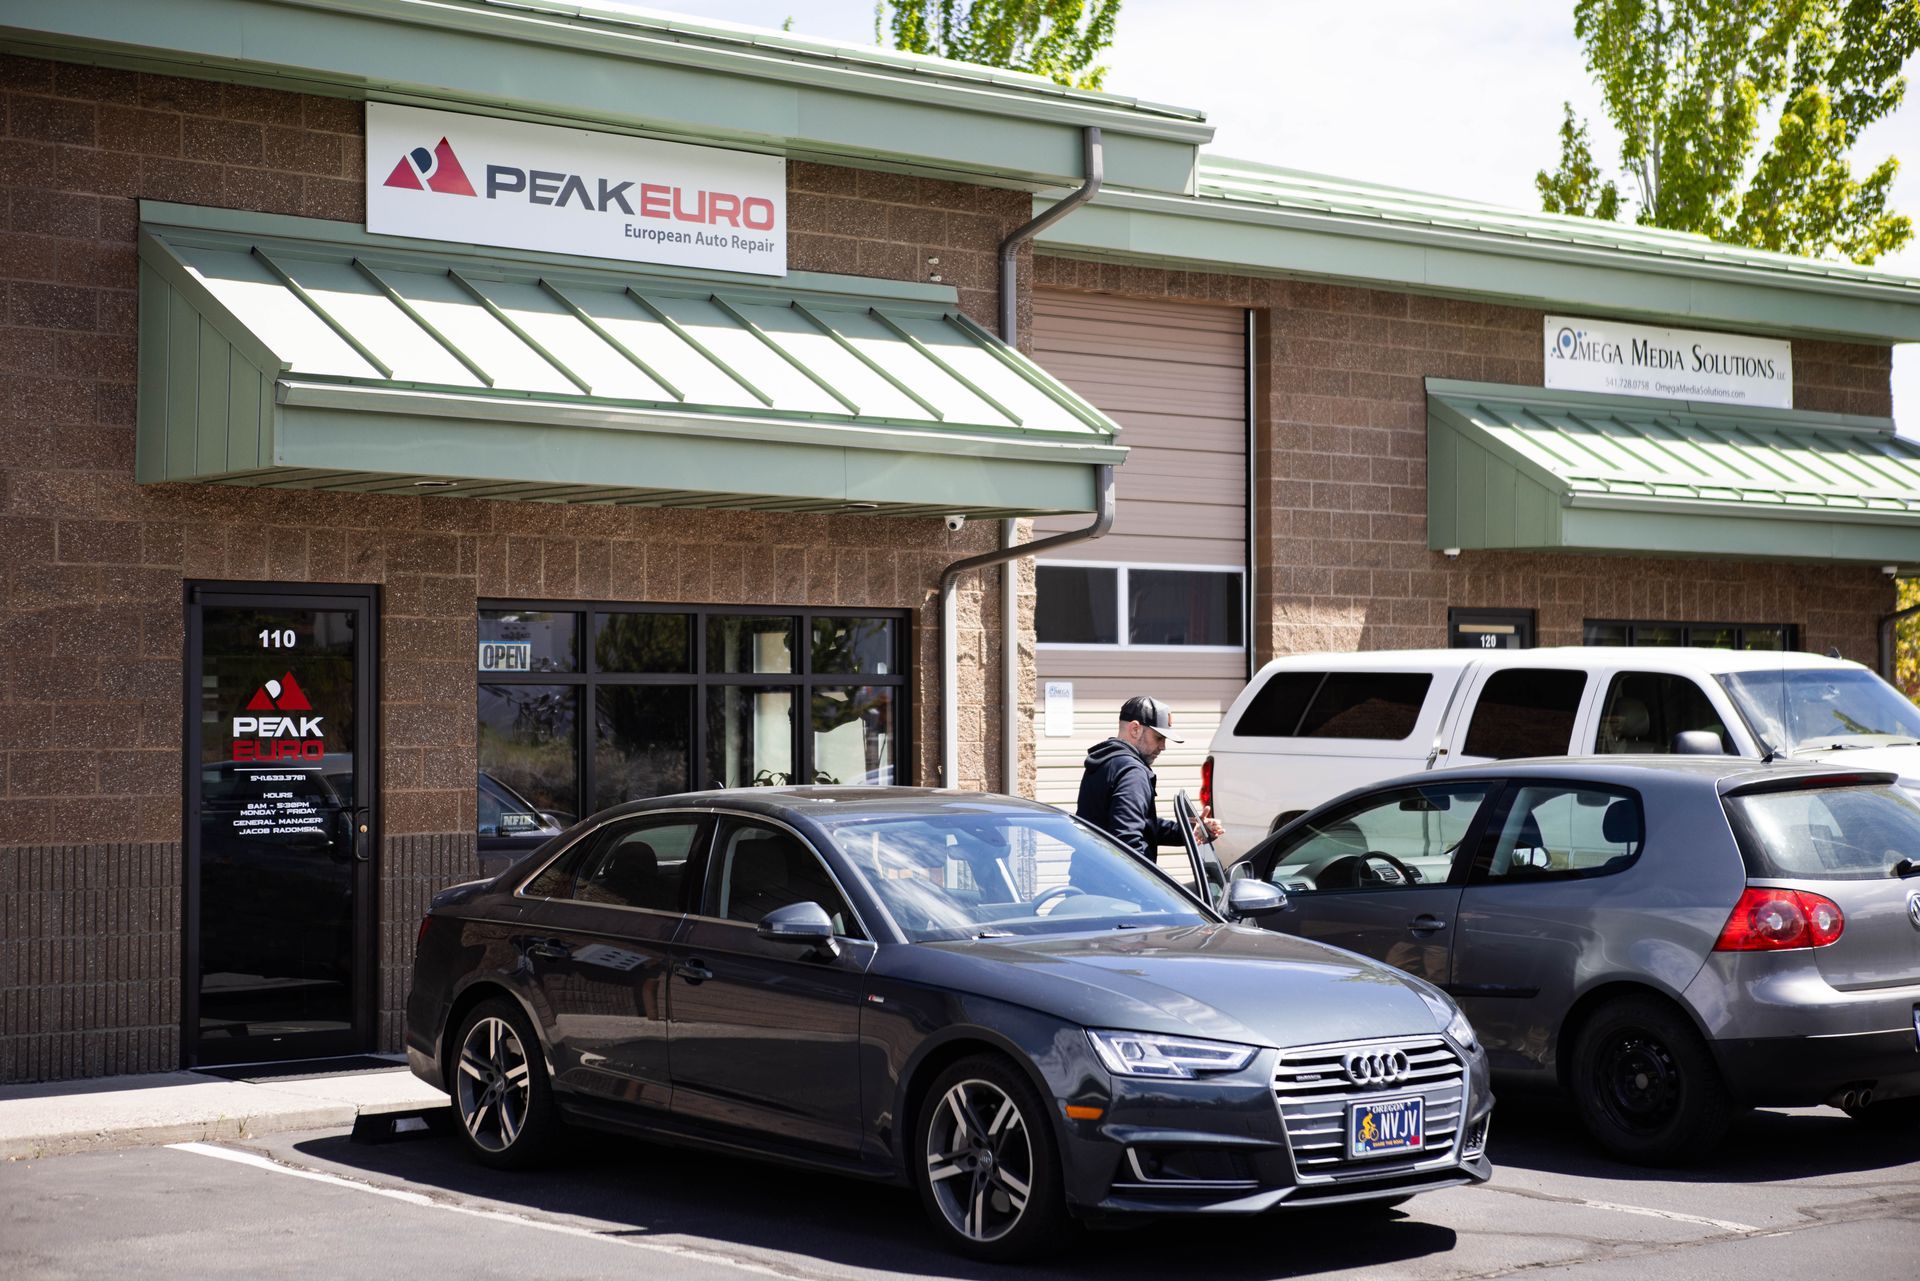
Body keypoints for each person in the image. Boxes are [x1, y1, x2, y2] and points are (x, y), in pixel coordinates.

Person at [1076, 695, 1223, 864]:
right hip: (1114, 887)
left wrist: (1187, 830)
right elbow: (1127, 842)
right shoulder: (1132, 772)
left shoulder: (1107, 762)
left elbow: (1142, 824)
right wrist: (1149, 886)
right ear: (1135, 729)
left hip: (1090, 878)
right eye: (1159, 737)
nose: (1163, 746)